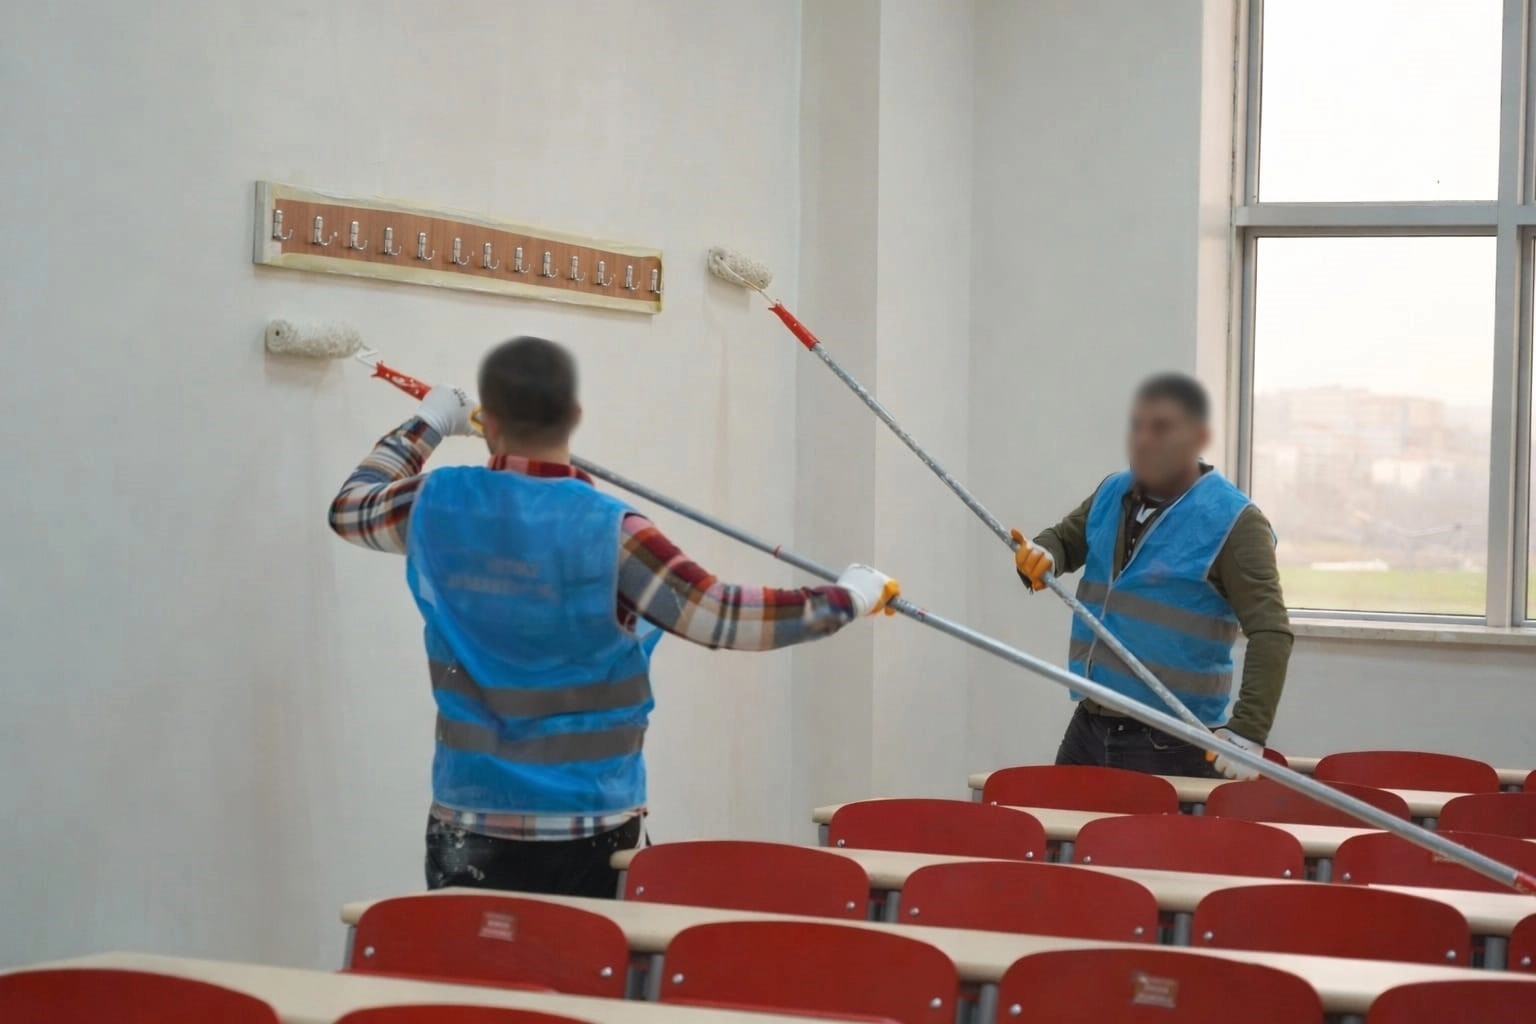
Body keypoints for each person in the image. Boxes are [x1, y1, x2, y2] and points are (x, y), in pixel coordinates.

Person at [329, 336, 898, 897]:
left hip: (468, 815)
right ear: (575, 415)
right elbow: (721, 616)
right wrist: (847, 598)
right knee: (588, 958)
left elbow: (350, 507)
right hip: (589, 822)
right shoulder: (612, 530)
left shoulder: (435, 504)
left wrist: (431, 420)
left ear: (489, 421)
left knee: (472, 961)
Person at [1010, 373, 1291, 779]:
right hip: (1091, 722)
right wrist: (1041, 555)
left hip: (1172, 739)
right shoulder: (1114, 491)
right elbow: (1064, 540)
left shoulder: (1234, 521)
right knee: (1058, 822)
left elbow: (1271, 631)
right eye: (1137, 426)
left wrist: (1248, 731)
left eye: (1161, 428)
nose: (1144, 440)